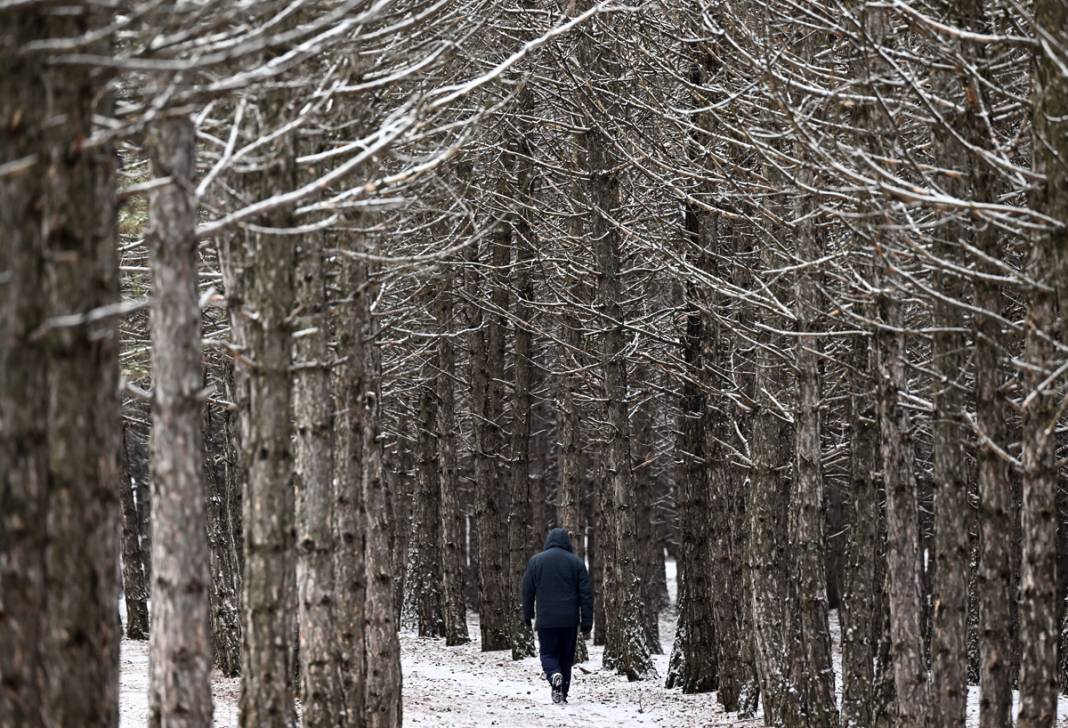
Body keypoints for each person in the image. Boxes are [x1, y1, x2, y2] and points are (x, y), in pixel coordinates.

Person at [521, 527, 594, 705]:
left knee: (547, 653)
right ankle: (563, 693)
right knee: (566, 658)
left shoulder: (536, 561)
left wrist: (527, 613)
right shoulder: (576, 563)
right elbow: (586, 594)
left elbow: (527, 591)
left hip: (546, 620)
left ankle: (554, 675)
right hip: (569, 621)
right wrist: (586, 621)